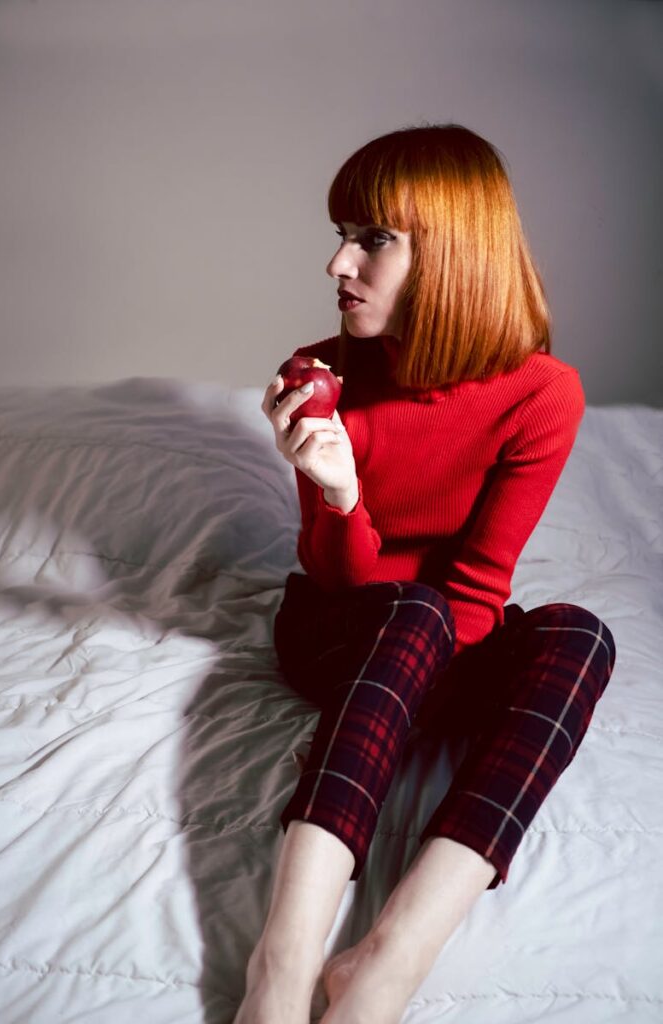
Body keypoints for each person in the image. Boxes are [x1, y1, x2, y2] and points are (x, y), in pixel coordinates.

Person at [233, 124, 616, 1024]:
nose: (336, 263)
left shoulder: (542, 395)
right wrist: (335, 494)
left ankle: (387, 959)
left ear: (450, 253)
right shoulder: (325, 375)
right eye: (341, 234)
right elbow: (334, 577)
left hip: (447, 632)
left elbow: (481, 587)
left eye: (372, 239)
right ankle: (282, 966)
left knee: (578, 635)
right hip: (340, 626)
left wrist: (422, 683)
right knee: (409, 612)